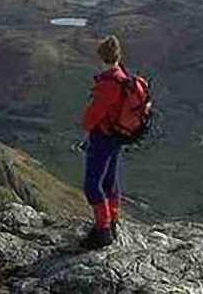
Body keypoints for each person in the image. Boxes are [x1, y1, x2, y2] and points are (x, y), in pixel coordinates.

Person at [80, 35, 129, 249]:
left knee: (92, 184)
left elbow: (94, 114)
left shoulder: (108, 82)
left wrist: (86, 126)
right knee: (110, 181)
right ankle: (113, 221)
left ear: (101, 56)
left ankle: (102, 230)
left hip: (103, 136)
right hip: (117, 135)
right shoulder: (122, 77)